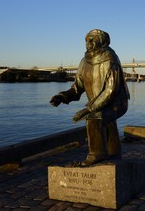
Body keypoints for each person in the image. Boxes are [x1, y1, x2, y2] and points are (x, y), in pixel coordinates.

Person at [50, 29, 130, 166]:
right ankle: (113, 153)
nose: (88, 43)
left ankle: (96, 155)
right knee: (105, 119)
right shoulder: (84, 62)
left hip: (116, 102)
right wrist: (62, 97)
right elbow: (77, 87)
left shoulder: (110, 59)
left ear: (102, 41)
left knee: (94, 117)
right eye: (87, 40)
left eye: (92, 39)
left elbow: (110, 91)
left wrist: (88, 109)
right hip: (100, 104)